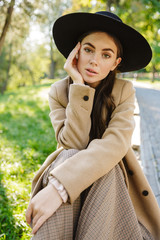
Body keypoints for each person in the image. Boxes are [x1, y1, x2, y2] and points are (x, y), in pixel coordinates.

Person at [26, 11, 160, 239]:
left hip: (111, 182)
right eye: (88, 50)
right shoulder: (59, 91)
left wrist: (59, 189)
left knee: (107, 166)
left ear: (116, 63)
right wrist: (78, 87)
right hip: (70, 166)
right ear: (76, 52)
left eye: (106, 55)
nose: (94, 61)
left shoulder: (123, 91)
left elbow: (114, 145)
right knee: (69, 156)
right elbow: (73, 144)